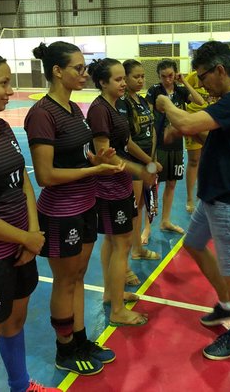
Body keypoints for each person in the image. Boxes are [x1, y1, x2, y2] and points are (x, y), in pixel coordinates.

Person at [155, 41, 230, 360]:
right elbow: (212, 136)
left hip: (228, 199)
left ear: (219, 70)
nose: (201, 83)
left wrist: (166, 104)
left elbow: (187, 121)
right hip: (214, 195)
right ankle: (226, 304)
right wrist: (186, 132)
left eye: (202, 76)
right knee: (194, 243)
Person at [24, 42, 119, 376]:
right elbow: (47, 176)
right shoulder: (41, 115)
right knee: (65, 281)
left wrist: (96, 159)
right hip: (62, 212)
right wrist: (94, 171)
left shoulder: (74, 108)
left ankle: (80, 339)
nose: (84, 73)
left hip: (85, 205)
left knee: (77, 276)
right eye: (78, 68)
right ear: (57, 71)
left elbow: (78, 154)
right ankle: (64, 349)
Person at [0, 51, 59, 392]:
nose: (10, 89)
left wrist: (31, 233)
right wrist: (24, 237)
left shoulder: (0, 127)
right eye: (2, 82)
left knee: (15, 320)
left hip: (20, 248)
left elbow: (24, 181)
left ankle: (19, 385)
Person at [87, 58, 153, 326]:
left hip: (120, 183)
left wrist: (148, 162)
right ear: (102, 82)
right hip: (110, 187)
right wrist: (139, 170)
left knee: (113, 242)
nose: (123, 83)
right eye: (117, 79)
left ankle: (110, 293)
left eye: (123, 78)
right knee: (121, 243)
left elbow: (125, 141)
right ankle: (117, 310)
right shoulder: (99, 110)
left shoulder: (115, 107)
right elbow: (105, 156)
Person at [146, 59, 204, 234]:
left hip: (177, 145)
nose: (167, 80)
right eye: (163, 76)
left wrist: (184, 81)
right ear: (159, 76)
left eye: (170, 75)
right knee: (152, 185)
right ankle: (147, 227)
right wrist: (151, 151)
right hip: (159, 145)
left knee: (171, 184)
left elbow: (199, 101)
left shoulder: (180, 90)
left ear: (175, 74)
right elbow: (149, 117)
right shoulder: (154, 91)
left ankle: (165, 220)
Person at [121, 59, 162, 250]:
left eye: (142, 76)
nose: (140, 80)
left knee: (146, 200)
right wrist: (148, 162)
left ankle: (141, 240)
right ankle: (135, 249)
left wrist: (152, 159)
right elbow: (127, 141)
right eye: (135, 76)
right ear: (125, 77)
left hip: (148, 158)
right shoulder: (123, 103)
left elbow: (152, 129)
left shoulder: (143, 100)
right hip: (135, 162)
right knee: (135, 206)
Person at [184, 70, 211, 214]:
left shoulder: (214, 76)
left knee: (207, 160)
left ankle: (203, 194)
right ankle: (189, 198)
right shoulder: (191, 78)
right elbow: (185, 96)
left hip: (209, 119)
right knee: (194, 160)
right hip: (194, 120)